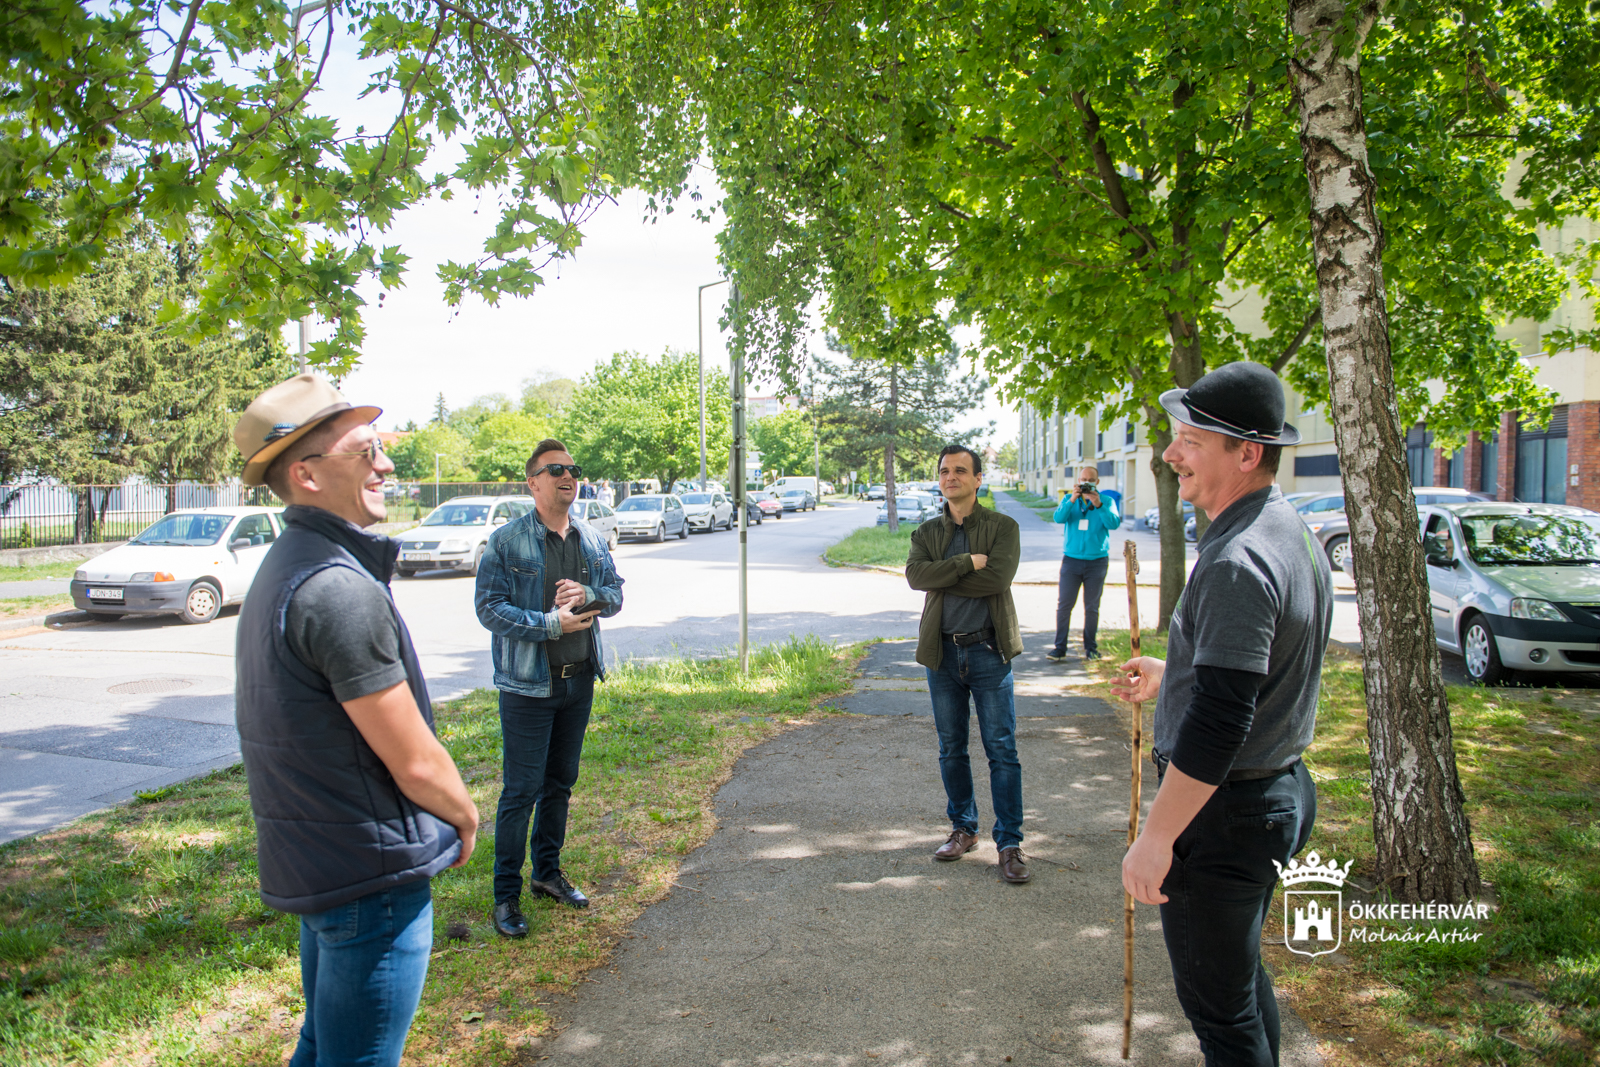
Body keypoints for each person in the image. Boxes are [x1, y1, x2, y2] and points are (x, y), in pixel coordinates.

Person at [232, 374, 478, 1067]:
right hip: (371, 879)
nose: (386, 464)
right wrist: (464, 812)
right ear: (306, 474)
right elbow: (416, 760)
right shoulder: (338, 588)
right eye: (366, 450)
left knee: (320, 1048)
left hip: (327, 868)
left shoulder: (290, 565)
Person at [1111, 361, 1332, 1067]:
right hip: (1275, 794)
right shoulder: (1285, 526)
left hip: (1225, 815)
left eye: (1191, 440)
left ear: (1248, 452)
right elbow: (1254, 669)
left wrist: (1157, 836)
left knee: (1221, 1015)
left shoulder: (1238, 557)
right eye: (1176, 437)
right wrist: (1177, 674)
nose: (1171, 454)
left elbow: (1220, 720)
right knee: (1237, 988)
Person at [476, 439, 624, 936]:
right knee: (521, 792)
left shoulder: (590, 537)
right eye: (555, 469)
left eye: (573, 469)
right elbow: (489, 609)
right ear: (533, 482)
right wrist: (550, 623)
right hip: (527, 688)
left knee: (560, 784)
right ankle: (505, 897)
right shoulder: (507, 541)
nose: (568, 476)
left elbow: (616, 595)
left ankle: (547, 875)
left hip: (578, 682)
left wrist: (591, 593)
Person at [905, 444, 1030, 884]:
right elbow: (917, 577)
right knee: (951, 747)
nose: (951, 477)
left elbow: (996, 579)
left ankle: (1010, 842)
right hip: (941, 654)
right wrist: (963, 563)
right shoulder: (926, 532)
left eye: (961, 470)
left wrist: (946, 574)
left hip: (987, 651)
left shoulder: (1002, 527)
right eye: (944, 471)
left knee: (1001, 748)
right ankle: (964, 828)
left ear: (978, 479)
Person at [1046, 465, 1122, 662]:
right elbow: (1058, 518)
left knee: (1092, 607)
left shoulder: (1107, 501)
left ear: (1096, 482)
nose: (1086, 482)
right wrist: (1071, 499)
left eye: (1090, 480)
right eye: (1083, 479)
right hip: (1071, 561)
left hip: (1096, 562)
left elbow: (1113, 523)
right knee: (1064, 605)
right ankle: (1059, 648)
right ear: (1078, 481)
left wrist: (1098, 504)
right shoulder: (1070, 500)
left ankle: (1091, 648)